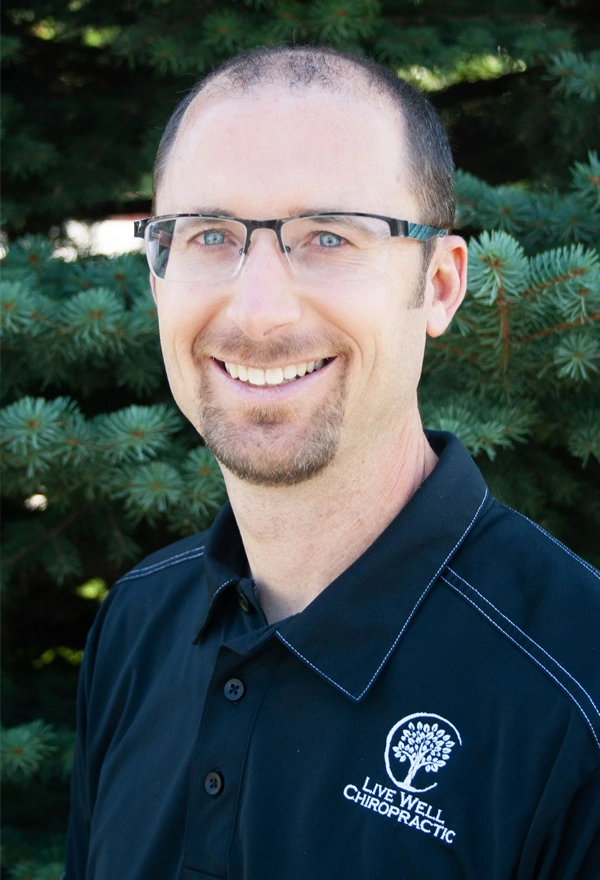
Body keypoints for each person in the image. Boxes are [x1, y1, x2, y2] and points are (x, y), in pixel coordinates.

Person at [65, 46, 600, 880]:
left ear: (443, 284)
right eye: (209, 235)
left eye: (329, 236)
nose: (260, 310)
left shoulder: (579, 689)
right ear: (158, 276)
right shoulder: (137, 622)